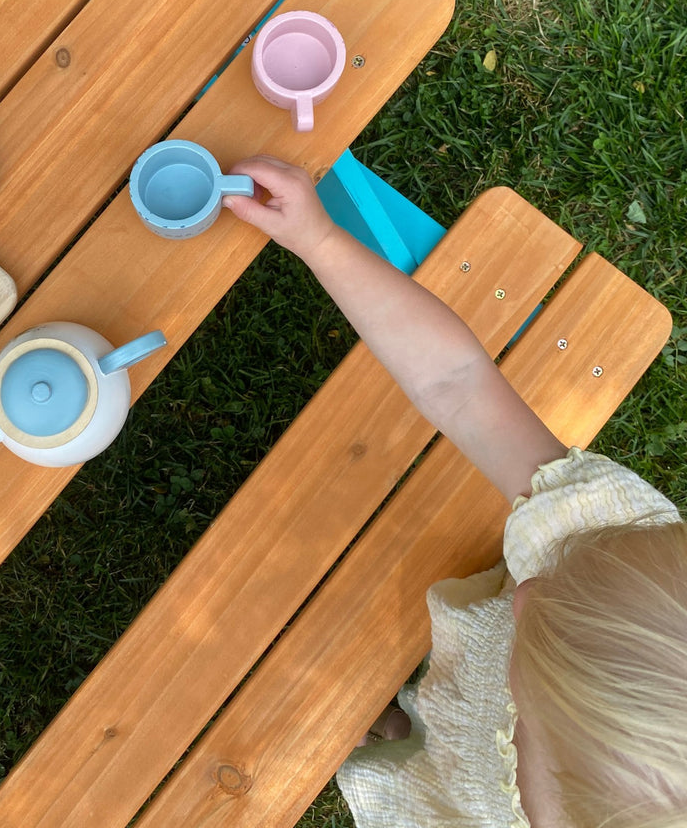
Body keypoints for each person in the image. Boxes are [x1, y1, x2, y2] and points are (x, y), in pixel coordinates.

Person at [222, 155, 687, 828]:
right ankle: (406, 721)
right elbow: (460, 384)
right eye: (564, 579)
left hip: (455, 800)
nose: (523, 594)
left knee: (417, 760)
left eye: (527, 713)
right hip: (483, 703)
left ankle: (396, 734)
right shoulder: (618, 540)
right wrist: (320, 240)